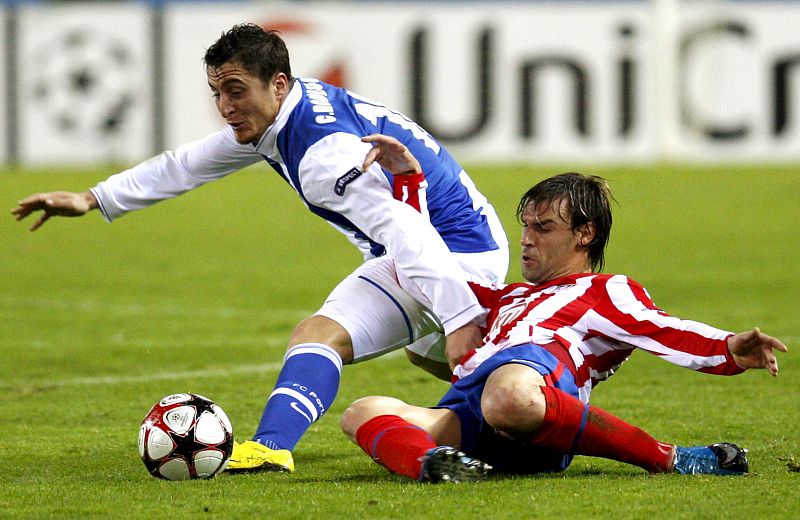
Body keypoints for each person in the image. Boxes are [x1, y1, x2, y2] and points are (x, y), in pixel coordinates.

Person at [10, 24, 509, 473]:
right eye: (217, 93)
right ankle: (524, 406)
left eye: (235, 91)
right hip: (465, 243)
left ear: (277, 84)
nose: (226, 106)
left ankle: (270, 447)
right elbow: (187, 164)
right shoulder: (287, 114)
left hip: (451, 255)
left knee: (321, 333)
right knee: (432, 358)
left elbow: (408, 233)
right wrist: (91, 198)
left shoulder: (322, 155)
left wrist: (460, 315)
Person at [339, 150, 788, 482]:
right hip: (473, 409)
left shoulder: (605, 290)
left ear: (585, 234)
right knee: (362, 411)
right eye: (526, 227)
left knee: (508, 394)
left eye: (544, 228)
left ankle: (670, 458)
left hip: (533, 399)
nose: (527, 240)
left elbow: (660, 328)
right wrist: (409, 182)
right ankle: (440, 467)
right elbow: (427, 269)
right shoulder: (502, 297)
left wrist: (727, 347)